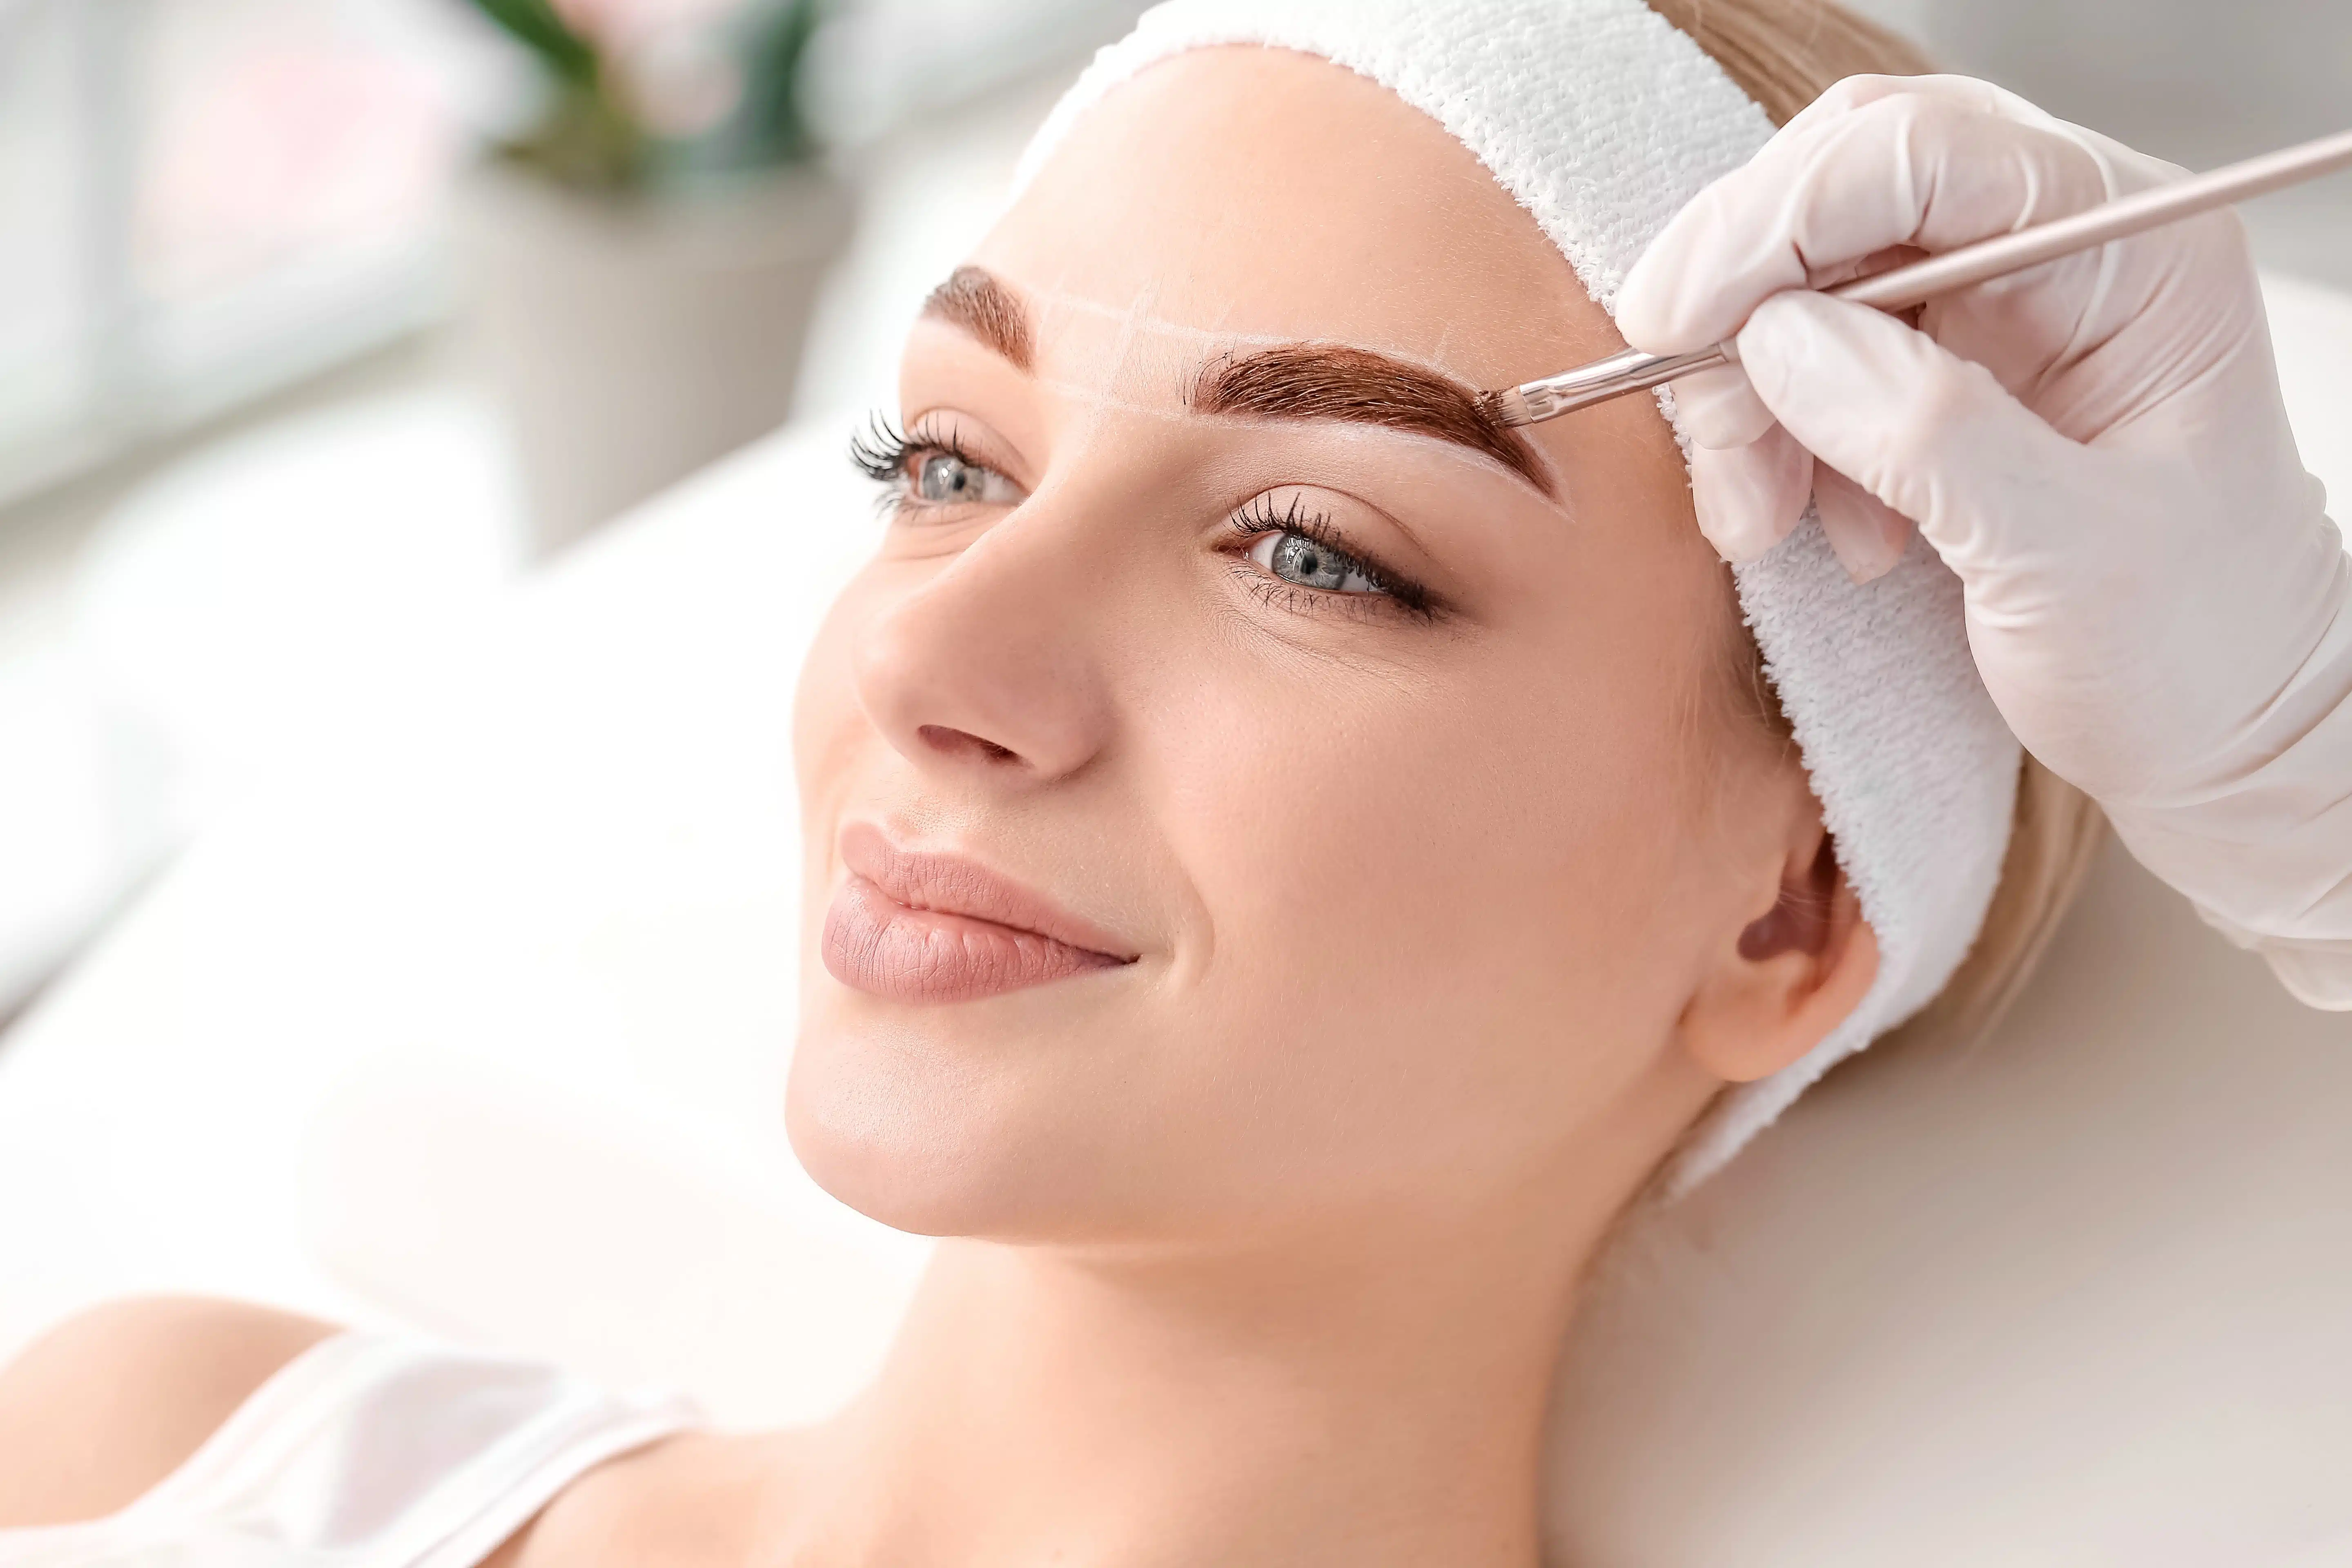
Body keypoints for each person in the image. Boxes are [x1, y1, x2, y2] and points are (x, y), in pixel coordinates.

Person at [0, 0, 2336, 1563]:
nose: (930, 650)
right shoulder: (188, 1455)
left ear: (1784, 919)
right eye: (943, 459)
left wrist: (2312, 799)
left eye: (1312, 550)